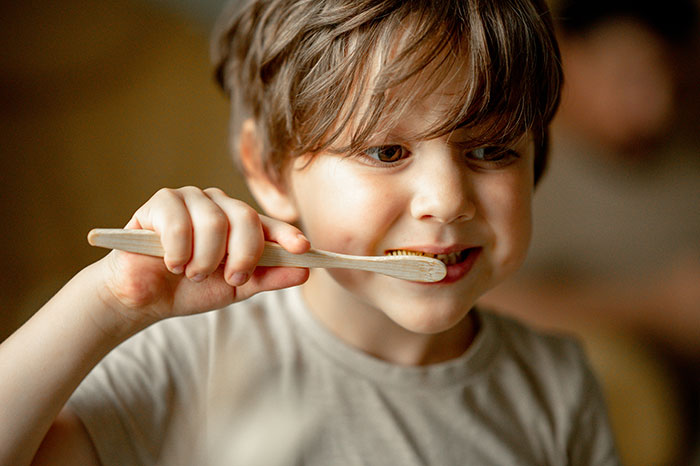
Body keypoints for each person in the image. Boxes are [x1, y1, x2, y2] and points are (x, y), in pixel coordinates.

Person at [0, 0, 620, 464]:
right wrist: (110, 302)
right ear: (269, 171)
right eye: (386, 152)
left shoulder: (558, 387)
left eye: (490, 150)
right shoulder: (190, 358)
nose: (448, 201)